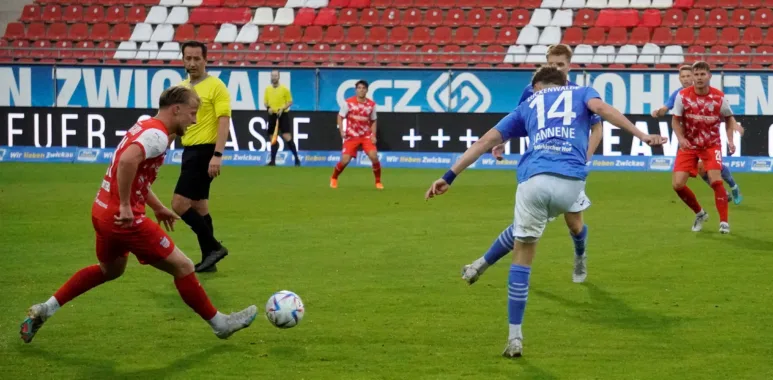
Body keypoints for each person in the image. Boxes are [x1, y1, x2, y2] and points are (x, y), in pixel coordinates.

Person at [425, 66, 666, 358]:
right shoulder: (582, 91)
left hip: (536, 179)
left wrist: (448, 176)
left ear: (536, 85)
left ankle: (515, 337)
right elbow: (601, 109)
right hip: (571, 184)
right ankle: (480, 264)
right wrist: (642, 135)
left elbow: (484, 142)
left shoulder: (529, 103)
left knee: (524, 253)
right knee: (534, 225)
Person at [19, 86, 257, 344]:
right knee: (184, 267)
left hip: (101, 210)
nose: (195, 120)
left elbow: (137, 173)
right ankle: (220, 324)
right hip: (124, 219)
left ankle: (46, 308)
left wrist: (155, 206)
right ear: (176, 109)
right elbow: (127, 161)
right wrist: (124, 205)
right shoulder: (157, 135)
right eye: (192, 113)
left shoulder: (145, 124)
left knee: (110, 270)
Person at [462, 44, 603, 286]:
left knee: (574, 224)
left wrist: (585, 155)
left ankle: (580, 255)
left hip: (570, 166)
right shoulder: (532, 91)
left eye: (561, 64)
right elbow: (518, 119)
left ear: (569, 65)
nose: (556, 68)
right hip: (539, 165)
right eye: (552, 64)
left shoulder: (581, 93)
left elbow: (597, 128)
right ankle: (481, 264)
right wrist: (503, 141)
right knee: (523, 224)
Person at [175, 41, 231, 273]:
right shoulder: (181, 88)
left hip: (204, 152)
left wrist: (217, 154)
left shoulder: (216, 86)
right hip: (189, 151)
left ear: (206, 60)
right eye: (188, 58)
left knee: (179, 204)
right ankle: (209, 258)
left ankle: (215, 247)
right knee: (200, 206)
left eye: (197, 58)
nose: (192, 63)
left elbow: (224, 119)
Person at [652, 64, 743, 205]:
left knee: (713, 167)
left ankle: (733, 186)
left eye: (689, 76)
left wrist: (734, 126)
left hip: (708, 138)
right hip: (689, 139)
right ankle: (722, 192)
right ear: (679, 79)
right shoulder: (679, 95)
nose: (687, 79)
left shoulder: (711, 93)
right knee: (702, 170)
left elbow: (726, 113)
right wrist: (658, 112)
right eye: (683, 77)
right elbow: (665, 108)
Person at [671, 61, 739, 234]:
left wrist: (730, 141)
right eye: (696, 74)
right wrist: (680, 138)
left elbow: (729, 119)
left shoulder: (719, 98)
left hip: (711, 145)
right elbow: (675, 120)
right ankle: (700, 213)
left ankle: (724, 222)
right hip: (689, 145)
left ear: (709, 76)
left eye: (702, 74)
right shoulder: (683, 96)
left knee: (716, 180)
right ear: (692, 77)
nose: (699, 78)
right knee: (678, 185)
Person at [330, 79, 383, 190]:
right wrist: (341, 131)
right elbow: (340, 116)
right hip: (351, 135)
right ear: (355, 90)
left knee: (374, 156)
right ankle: (334, 177)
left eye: (363, 88)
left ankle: (378, 182)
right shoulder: (348, 103)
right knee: (345, 160)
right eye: (359, 88)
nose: (361, 90)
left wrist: (373, 135)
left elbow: (373, 120)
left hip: (366, 136)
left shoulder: (371, 105)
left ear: (367, 90)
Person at [264, 69, 300, 166]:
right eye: (272, 76)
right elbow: (265, 102)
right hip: (272, 115)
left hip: (282, 114)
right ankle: (273, 161)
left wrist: (282, 109)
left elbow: (290, 101)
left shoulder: (284, 89)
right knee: (273, 138)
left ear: (279, 77)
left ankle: (296, 159)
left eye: (275, 76)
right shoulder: (268, 89)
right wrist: (268, 108)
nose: (274, 77)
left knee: (286, 136)